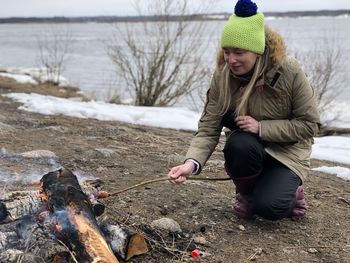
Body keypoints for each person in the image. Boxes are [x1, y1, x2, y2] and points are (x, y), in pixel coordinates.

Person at [168, 0, 321, 220]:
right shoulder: (222, 75)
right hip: (249, 149)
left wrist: (261, 128)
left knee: (269, 208)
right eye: (227, 52)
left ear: (257, 51)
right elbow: (208, 128)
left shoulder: (289, 71)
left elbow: (310, 125)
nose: (231, 60)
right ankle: (246, 192)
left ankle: (290, 191)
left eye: (239, 52)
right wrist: (191, 164)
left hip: (288, 154)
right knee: (238, 143)